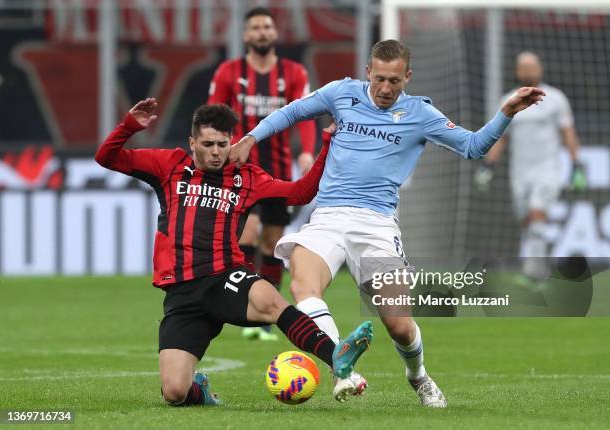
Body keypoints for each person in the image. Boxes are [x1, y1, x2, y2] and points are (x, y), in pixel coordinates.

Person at [229, 40, 545, 407]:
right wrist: (252, 138)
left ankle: (419, 376)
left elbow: (474, 147)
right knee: (304, 285)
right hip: (328, 216)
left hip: (376, 224)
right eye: (379, 79)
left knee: (398, 324)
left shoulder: (420, 114)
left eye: (394, 81)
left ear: (407, 77)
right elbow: (291, 113)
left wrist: (506, 111)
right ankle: (341, 367)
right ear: (368, 73)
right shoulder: (341, 93)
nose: (385, 88)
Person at [95, 99, 372, 406]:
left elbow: (301, 193)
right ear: (192, 142)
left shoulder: (247, 177)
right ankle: (200, 391)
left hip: (224, 277)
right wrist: (129, 126)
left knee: (270, 301)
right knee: (174, 392)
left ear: (233, 142)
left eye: (223, 144)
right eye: (208, 144)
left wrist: (326, 145)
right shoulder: (169, 165)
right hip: (183, 293)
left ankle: (336, 357)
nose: (216, 152)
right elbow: (106, 157)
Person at [208, 7, 316, 341]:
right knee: (248, 235)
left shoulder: (293, 72)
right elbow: (213, 115)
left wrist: (307, 151)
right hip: (240, 171)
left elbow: (307, 114)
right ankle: (243, 304)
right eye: (255, 27)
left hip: (278, 171)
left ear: (274, 33)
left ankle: (265, 317)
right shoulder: (229, 72)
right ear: (245, 35)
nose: (262, 32)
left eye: (267, 27)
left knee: (271, 241)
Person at [475, 51, 585, 284]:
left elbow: (568, 133)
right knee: (528, 221)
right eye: (523, 67)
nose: (528, 71)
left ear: (539, 69)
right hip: (520, 172)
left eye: (531, 66)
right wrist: (488, 166)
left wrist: (577, 165)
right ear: (517, 72)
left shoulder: (555, 98)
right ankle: (535, 268)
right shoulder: (508, 100)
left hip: (548, 168)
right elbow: (500, 137)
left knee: (537, 213)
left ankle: (535, 273)